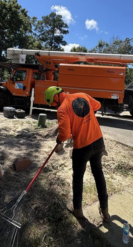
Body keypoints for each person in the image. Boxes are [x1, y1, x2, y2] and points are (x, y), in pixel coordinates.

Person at [44, 86, 110, 223]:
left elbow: (65, 134)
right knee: (98, 173)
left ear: (56, 97)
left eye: (53, 103)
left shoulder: (62, 109)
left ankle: (78, 210)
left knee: (78, 177)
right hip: (98, 141)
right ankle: (105, 211)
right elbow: (97, 105)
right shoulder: (82, 95)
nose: (54, 106)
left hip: (83, 146)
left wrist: (59, 139)